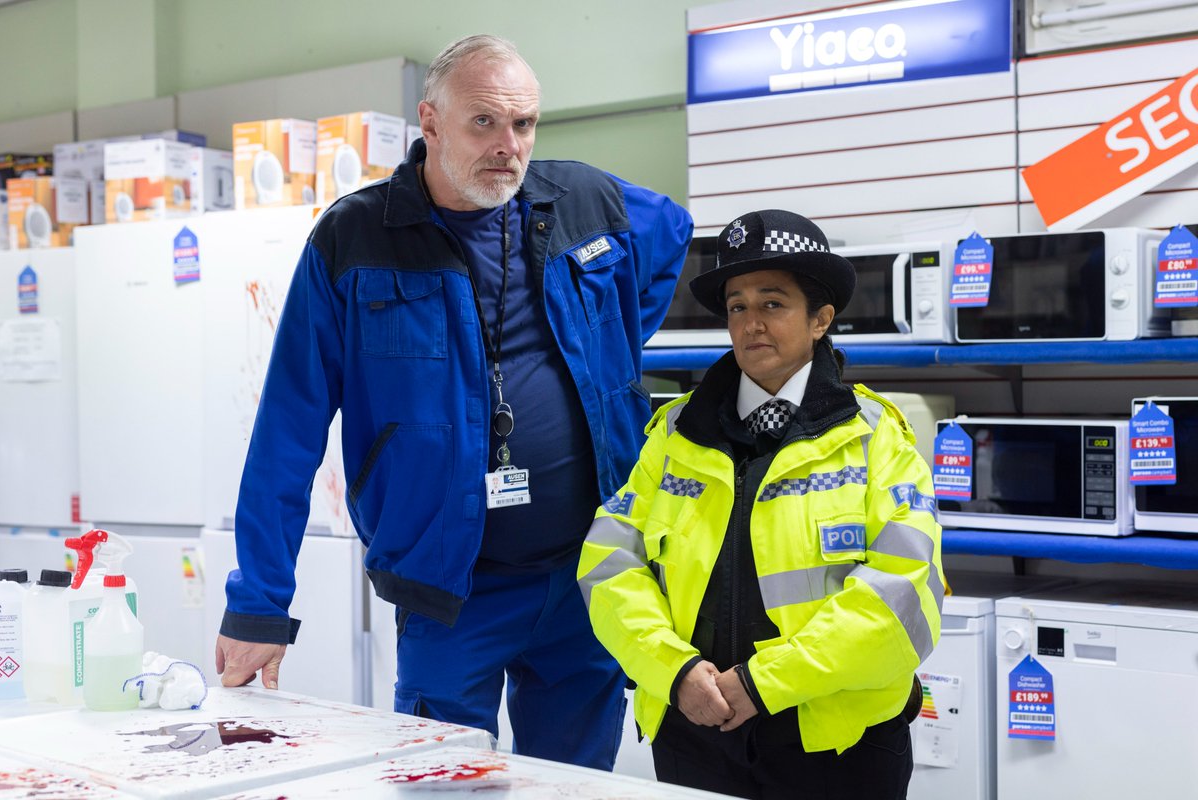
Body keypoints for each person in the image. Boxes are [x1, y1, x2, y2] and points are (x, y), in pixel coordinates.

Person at [215, 33, 693, 771]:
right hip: (451, 592)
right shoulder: (356, 238)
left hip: (590, 580)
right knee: (443, 781)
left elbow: (671, 236)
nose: (509, 145)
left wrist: (612, 353)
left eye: (525, 124)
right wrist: (259, 606)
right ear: (430, 122)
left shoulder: (584, 200)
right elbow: (288, 429)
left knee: (573, 786)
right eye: (485, 123)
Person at [578, 209, 942, 798]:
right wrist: (673, 672)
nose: (752, 324)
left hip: (838, 745)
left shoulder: (877, 439)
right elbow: (608, 565)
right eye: (737, 306)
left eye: (773, 303)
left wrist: (762, 684)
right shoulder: (674, 436)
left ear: (820, 319)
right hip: (696, 734)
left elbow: (903, 598)